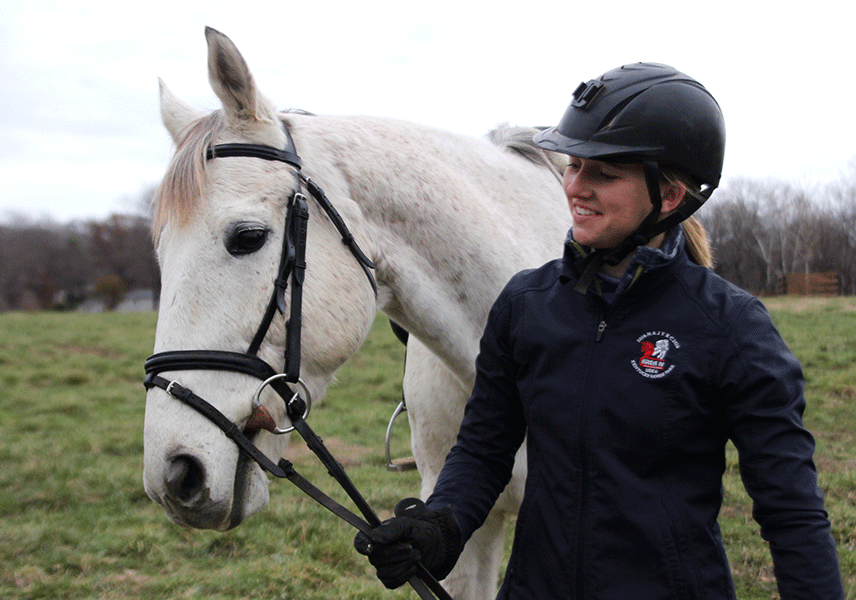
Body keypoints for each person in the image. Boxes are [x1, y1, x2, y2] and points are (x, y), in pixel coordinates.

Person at [354, 63, 845, 599]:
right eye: (573, 166)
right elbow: (483, 449)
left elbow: (791, 511)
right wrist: (440, 525)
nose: (575, 188)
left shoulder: (731, 328)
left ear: (672, 196)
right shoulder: (525, 305)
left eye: (603, 175)